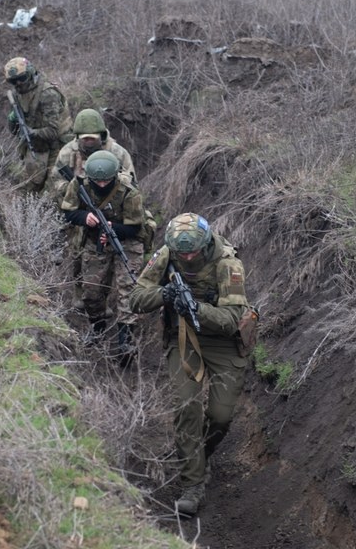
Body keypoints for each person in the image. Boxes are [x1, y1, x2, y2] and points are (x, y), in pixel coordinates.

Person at [130, 213, 253, 517]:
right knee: (187, 406)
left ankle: (198, 455)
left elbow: (231, 320)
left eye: (192, 252)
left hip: (223, 341)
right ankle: (192, 484)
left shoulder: (227, 263)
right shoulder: (167, 253)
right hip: (183, 337)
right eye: (181, 252)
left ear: (206, 243)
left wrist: (197, 307)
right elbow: (136, 297)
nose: (186, 257)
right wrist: (165, 294)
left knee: (220, 416)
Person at [51, 108, 154, 310]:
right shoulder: (67, 152)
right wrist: (72, 190)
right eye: (85, 139)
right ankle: (83, 296)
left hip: (113, 213)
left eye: (93, 138)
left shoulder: (118, 153)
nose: (88, 142)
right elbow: (55, 180)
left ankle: (109, 302)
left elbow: (130, 185)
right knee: (79, 254)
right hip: (80, 209)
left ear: (102, 135)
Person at [61, 150, 146, 362]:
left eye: (106, 181)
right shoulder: (80, 184)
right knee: (91, 291)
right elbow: (69, 212)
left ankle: (125, 341)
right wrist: (85, 216)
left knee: (128, 290)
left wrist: (113, 228)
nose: (101, 185)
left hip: (126, 242)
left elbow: (135, 227)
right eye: (96, 181)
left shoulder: (129, 191)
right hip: (94, 240)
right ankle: (98, 327)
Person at [3, 56, 74, 194]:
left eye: (22, 78)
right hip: (37, 146)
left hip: (58, 146)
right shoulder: (17, 95)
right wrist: (12, 119)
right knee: (26, 189)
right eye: (13, 81)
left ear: (30, 74)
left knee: (52, 191)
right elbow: (14, 131)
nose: (18, 84)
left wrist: (31, 132)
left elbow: (53, 132)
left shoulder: (48, 94)